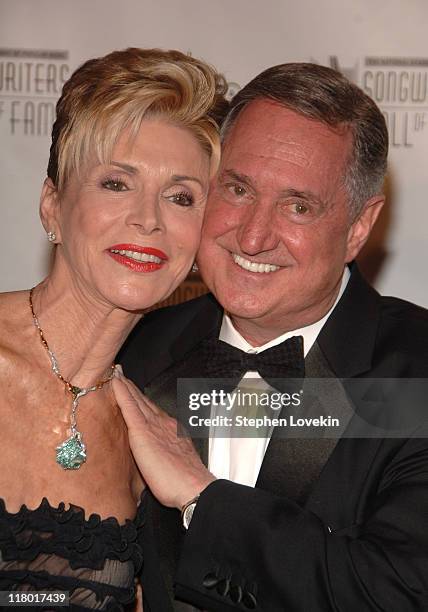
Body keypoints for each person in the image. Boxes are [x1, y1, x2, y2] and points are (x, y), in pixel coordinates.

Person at [116, 63, 428, 611]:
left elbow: (397, 593)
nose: (254, 237)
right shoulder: (132, 351)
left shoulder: (417, 373)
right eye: (238, 189)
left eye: (298, 206)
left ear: (359, 226)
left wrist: (201, 498)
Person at [0, 47, 227, 611]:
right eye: (116, 184)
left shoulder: (157, 428)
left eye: (181, 197)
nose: (149, 218)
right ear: (52, 205)